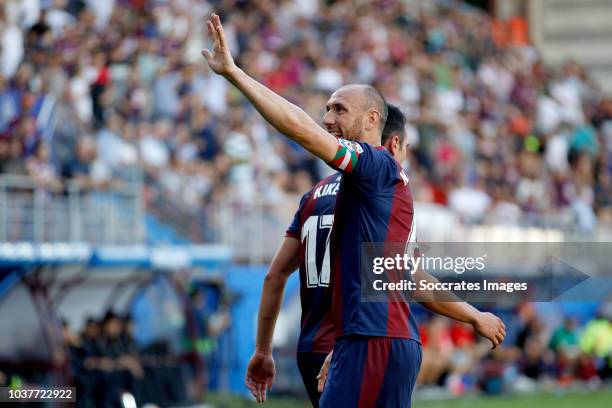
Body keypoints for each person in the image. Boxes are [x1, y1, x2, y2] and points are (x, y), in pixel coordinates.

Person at [202, 14, 505, 407]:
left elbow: (302, 132)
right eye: (327, 109)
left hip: (372, 340)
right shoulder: (362, 189)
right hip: (360, 340)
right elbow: (406, 277)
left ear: (372, 121)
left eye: (339, 110)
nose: (327, 119)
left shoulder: (374, 167)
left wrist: (236, 75)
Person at [245, 104, 409, 407]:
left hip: (309, 346)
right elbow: (404, 276)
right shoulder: (383, 190)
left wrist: (263, 349)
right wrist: (472, 314)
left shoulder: (312, 196)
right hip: (351, 341)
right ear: (393, 144)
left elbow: (275, 275)